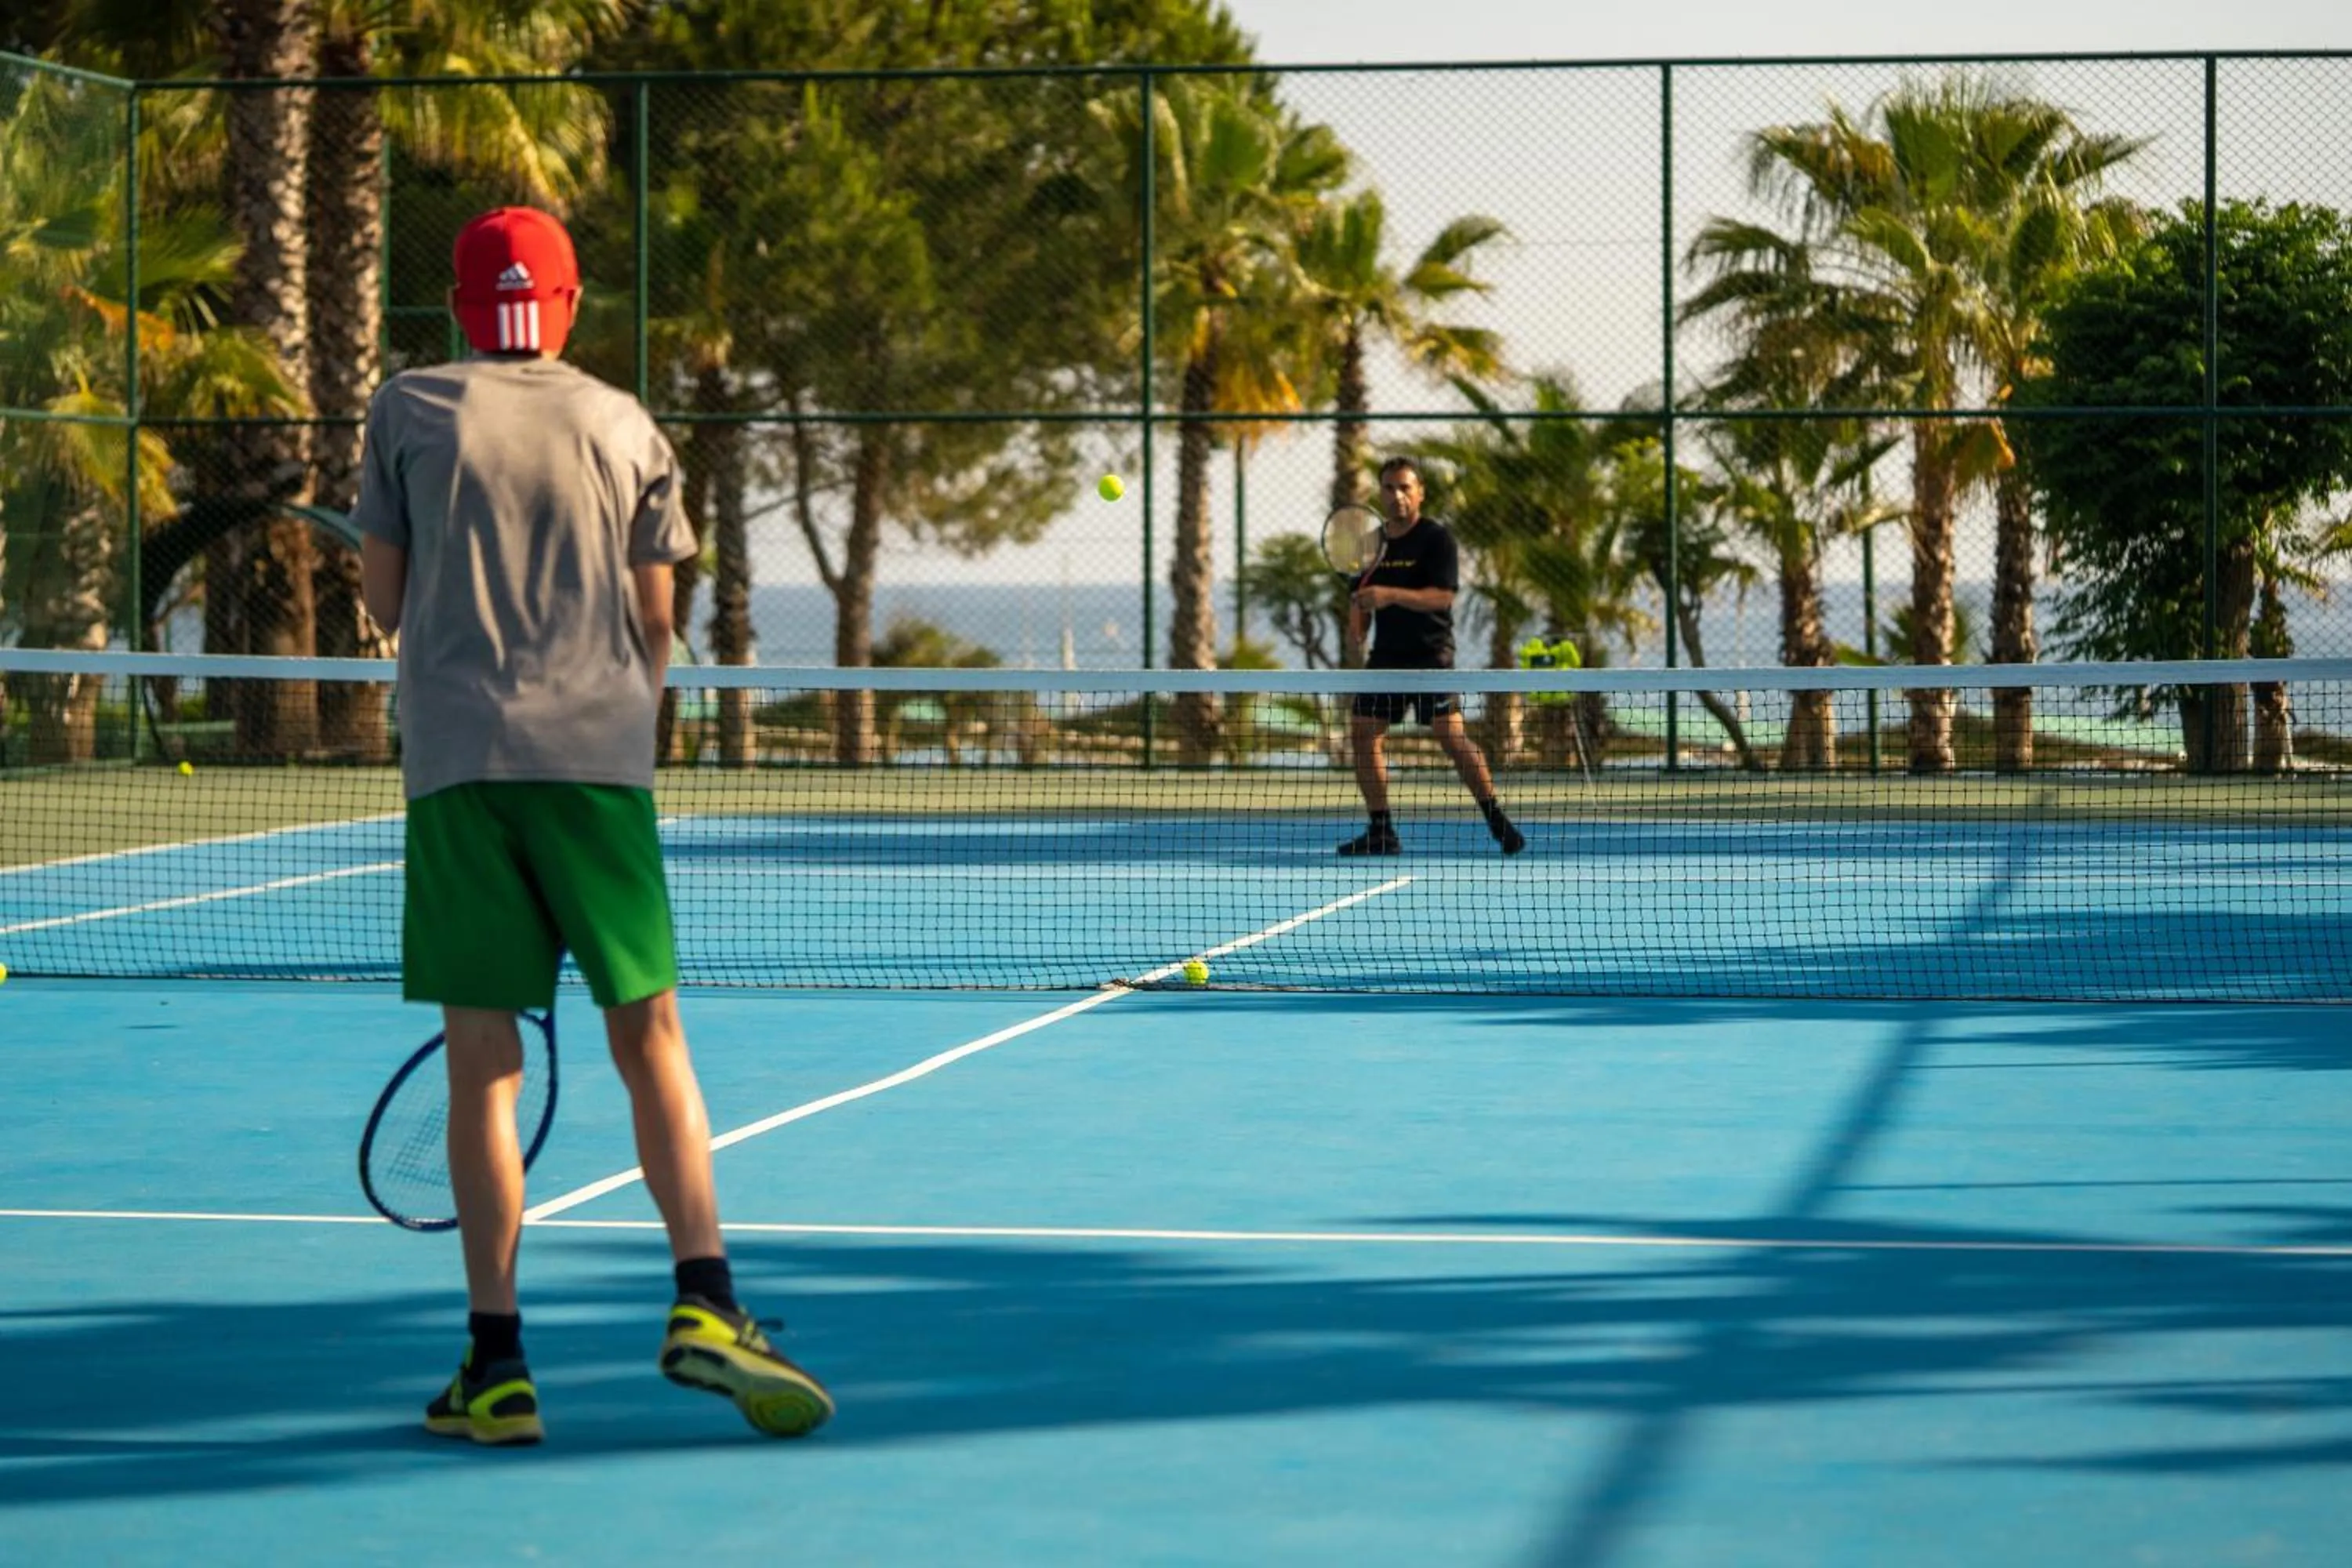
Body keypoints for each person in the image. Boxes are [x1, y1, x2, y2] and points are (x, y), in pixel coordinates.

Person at [354, 206, 832, 1446]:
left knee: (484, 1068)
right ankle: (705, 1302)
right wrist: (618, 722)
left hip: (458, 769)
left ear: (461, 307)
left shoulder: (406, 408)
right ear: (567, 304)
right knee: (652, 1037)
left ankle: (498, 1366)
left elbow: (386, 606)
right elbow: (656, 622)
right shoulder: (626, 422)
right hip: (598, 770)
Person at [1340, 456, 1524, 857]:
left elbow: (1443, 597)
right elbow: (1361, 611)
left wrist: (1390, 595)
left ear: (1420, 492)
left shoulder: (1437, 539)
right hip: (1386, 658)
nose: (1397, 496)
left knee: (1451, 736)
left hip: (1431, 655)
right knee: (1362, 732)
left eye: (1406, 487)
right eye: (1389, 488)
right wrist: (1358, 624)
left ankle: (1497, 819)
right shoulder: (1371, 545)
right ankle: (1381, 830)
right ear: (1381, 493)